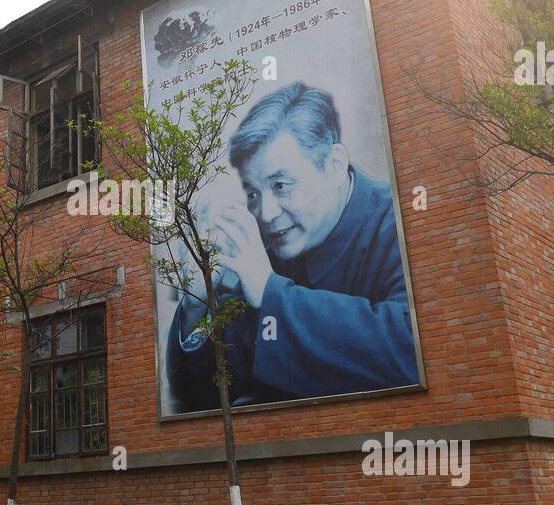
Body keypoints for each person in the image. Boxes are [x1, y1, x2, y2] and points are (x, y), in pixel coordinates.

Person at [166, 81, 417, 413]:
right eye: (253, 193)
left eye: (281, 185)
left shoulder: (402, 220)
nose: (266, 213)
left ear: (334, 165)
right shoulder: (262, 249)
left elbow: (412, 349)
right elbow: (202, 397)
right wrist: (196, 304)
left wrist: (271, 293)